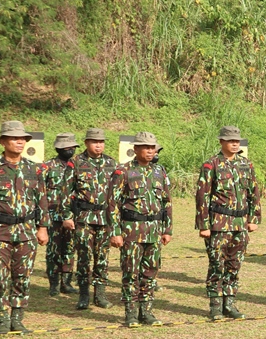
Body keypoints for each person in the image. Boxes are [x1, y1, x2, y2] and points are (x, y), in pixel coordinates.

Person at [0, 121, 50, 334]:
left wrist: (43, 227)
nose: (20, 142)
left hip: (26, 231)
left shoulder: (35, 168)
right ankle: (1, 319)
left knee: (22, 276)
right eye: (15, 138)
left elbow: (42, 199)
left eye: (23, 138)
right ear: (4, 141)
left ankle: (17, 318)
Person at [195, 126, 261, 321]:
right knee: (217, 264)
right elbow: (202, 196)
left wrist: (254, 218)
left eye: (237, 141)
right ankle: (215, 305)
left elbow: (254, 193)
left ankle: (230, 303)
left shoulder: (246, 164)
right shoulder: (211, 165)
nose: (234, 144)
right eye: (230, 140)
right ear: (221, 142)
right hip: (219, 223)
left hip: (240, 223)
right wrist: (204, 225)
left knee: (234, 264)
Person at [108, 132, 173, 327]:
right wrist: (115, 232)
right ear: (135, 149)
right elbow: (112, 203)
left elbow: (167, 202)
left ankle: (147, 311)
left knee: (150, 272)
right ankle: (131, 313)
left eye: (153, 147)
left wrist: (167, 229)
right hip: (131, 230)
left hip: (154, 230)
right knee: (130, 272)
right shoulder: (123, 171)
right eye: (146, 147)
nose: (150, 151)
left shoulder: (159, 171)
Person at [61, 128, 117, 310]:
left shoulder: (111, 163)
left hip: (105, 218)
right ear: (86, 143)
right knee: (84, 256)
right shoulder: (75, 162)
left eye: (101, 142)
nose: (98, 145)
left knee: (102, 257)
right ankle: (84, 295)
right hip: (84, 218)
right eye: (95, 142)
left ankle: (100, 295)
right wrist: (67, 216)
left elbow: (117, 194)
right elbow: (66, 191)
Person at [42, 133, 79, 297]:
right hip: (53, 216)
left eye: (72, 147)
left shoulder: (78, 165)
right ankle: (54, 284)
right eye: (66, 147)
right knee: (53, 250)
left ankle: (67, 282)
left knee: (69, 250)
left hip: (72, 215)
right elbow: (40, 192)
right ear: (58, 148)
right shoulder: (47, 166)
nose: (69, 149)